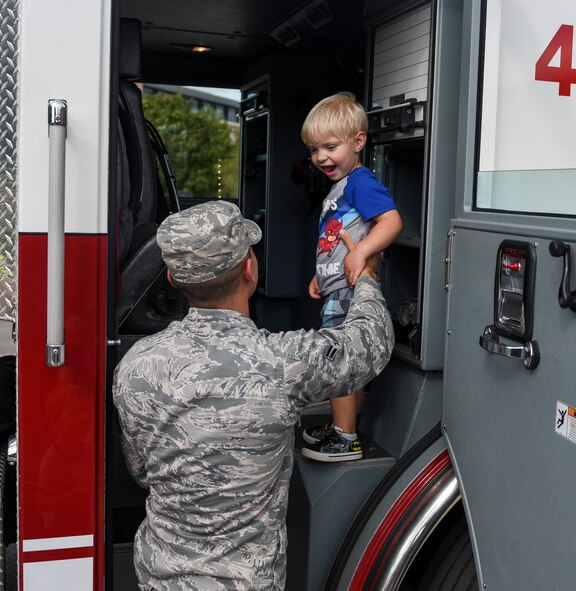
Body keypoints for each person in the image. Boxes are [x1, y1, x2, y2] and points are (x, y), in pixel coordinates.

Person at [113, 200, 395, 591]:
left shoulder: (136, 366)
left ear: (175, 280)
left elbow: (141, 469)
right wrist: (364, 274)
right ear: (250, 269)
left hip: (159, 577)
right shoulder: (282, 363)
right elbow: (370, 344)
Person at [300, 93, 403, 462]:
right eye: (314, 150)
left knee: (338, 362)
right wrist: (321, 274)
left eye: (330, 146)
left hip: (349, 293)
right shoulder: (339, 188)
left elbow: (391, 221)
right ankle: (344, 426)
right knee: (348, 363)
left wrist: (360, 252)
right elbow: (334, 239)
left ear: (358, 142)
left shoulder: (361, 181)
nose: (320, 157)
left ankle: (345, 439)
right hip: (336, 288)